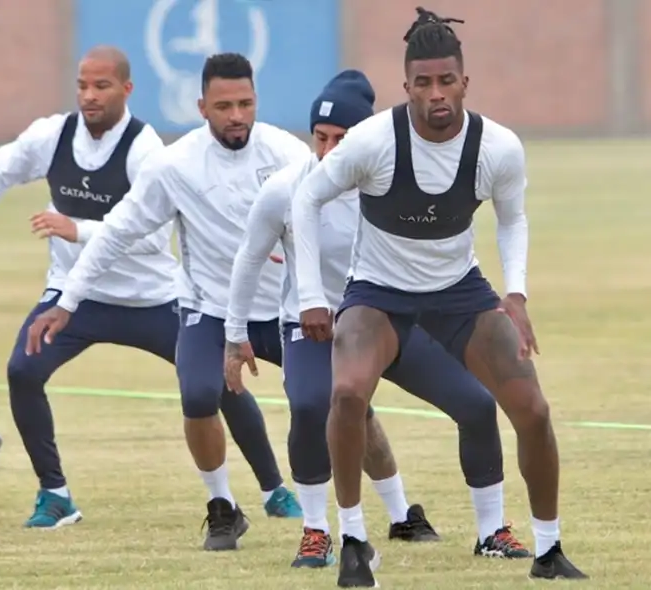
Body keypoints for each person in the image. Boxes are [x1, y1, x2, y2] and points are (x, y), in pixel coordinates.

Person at [26, 53, 439, 552]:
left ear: (256, 102)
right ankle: (222, 507)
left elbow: (347, 226)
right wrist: (68, 300)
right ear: (202, 107)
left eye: (245, 103)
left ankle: (399, 512)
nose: (236, 115)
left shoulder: (288, 153)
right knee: (198, 393)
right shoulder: (173, 166)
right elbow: (116, 233)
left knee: (349, 402)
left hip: (291, 312)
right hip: (213, 310)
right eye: (223, 105)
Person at [0, 46, 300, 529]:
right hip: (78, 295)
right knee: (22, 371)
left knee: (217, 383)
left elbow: (149, 236)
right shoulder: (52, 136)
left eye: (102, 86)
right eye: (83, 86)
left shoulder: (148, 150)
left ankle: (274, 489)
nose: (90, 96)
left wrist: (77, 228)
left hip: (154, 299)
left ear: (126, 90)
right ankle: (55, 495)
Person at [289, 8, 588, 586]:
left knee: (534, 410)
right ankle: (354, 540)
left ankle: (548, 551)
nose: (436, 94)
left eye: (446, 80)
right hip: (379, 292)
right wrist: (311, 296)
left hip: (459, 292)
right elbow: (306, 198)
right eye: (423, 83)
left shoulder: (497, 147)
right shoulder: (372, 142)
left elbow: (512, 220)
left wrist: (517, 293)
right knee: (347, 393)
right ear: (406, 89)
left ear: (464, 82)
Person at [225, 69, 528, 570]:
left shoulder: (389, 183)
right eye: (320, 138)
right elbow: (249, 259)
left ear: (362, 139)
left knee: (476, 404)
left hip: (394, 318)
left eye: (340, 139)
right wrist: (236, 335)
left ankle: (491, 530)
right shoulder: (286, 190)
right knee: (309, 404)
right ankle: (318, 532)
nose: (328, 150)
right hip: (317, 328)